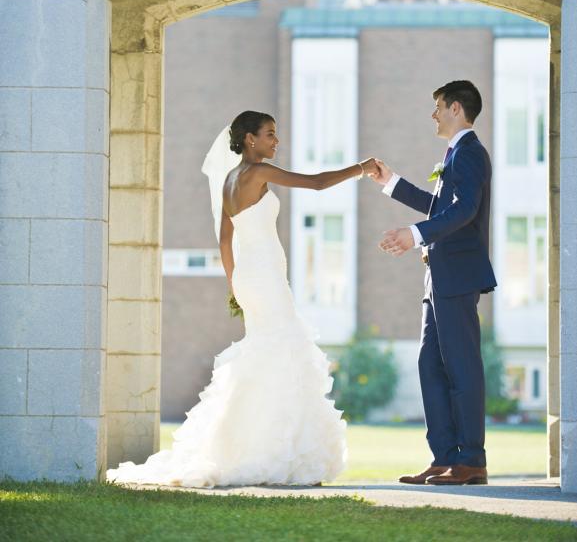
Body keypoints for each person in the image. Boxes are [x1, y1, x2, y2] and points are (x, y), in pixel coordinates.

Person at [106, 110, 379, 488]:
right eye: (270, 135)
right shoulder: (258, 173)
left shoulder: (230, 180)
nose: (276, 142)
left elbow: (223, 240)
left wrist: (236, 284)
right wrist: (360, 168)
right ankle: (273, 452)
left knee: (266, 354)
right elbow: (316, 183)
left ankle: (255, 445)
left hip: (249, 278)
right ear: (250, 139)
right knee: (285, 350)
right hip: (264, 277)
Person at [371, 80, 497, 486]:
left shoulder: (471, 153)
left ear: (456, 109)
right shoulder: (455, 155)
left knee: (462, 367)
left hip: (458, 277)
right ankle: (444, 457)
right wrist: (391, 183)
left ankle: (471, 460)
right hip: (438, 278)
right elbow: (440, 207)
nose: (433, 115)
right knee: (430, 364)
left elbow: (465, 210)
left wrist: (415, 234)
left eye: (438, 107)